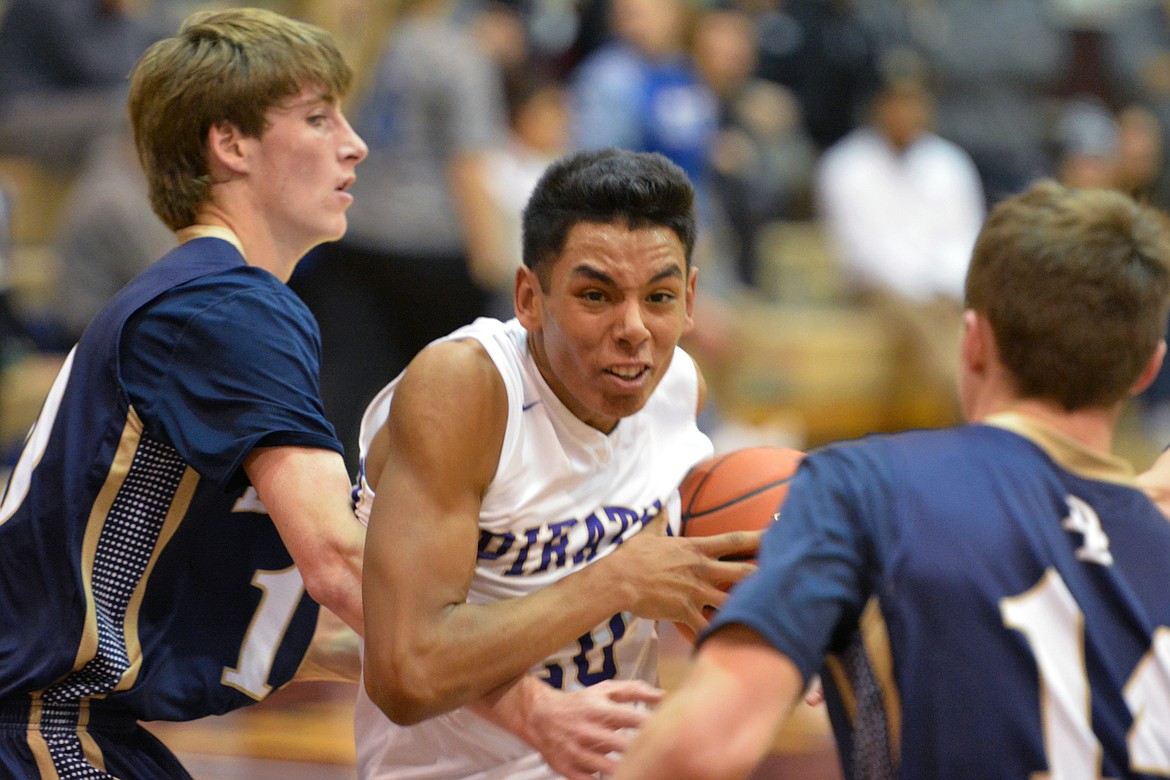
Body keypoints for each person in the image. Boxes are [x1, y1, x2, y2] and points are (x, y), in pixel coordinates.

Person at [616, 179, 1170, 779]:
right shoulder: (1155, 532)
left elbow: (697, 750)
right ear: (1147, 369)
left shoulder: (866, 487)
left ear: (973, 342)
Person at [0, 9, 373, 778]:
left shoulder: (206, 297)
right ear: (230, 143)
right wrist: (530, 680)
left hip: (67, 721)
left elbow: (256, 628)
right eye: (317, 117)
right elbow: (342, 563)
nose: (354, 142)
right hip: (39, 728)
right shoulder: (227, 307)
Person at [357, 148, 762, 780]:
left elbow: (670, 581)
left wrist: (766, 633)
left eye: (658, 297)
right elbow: (406, 672)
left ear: (689, 300)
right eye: (597, 295)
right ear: (529, 297)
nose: (633, 328)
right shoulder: (466, 389)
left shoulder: (678, 389)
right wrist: (620, 579)